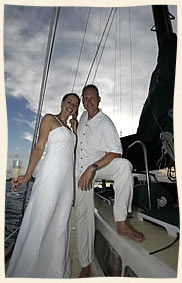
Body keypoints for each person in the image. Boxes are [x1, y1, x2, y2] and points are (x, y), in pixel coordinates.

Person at [6, 93, 80, 278]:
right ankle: (29, 269)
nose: (71, 105)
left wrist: (75, 130)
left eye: (75, 104)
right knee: (43, 216)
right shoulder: (49, 119)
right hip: (51, 174)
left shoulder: (72, 130)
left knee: (60, 221)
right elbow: (39, 147)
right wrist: (28, 174)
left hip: (66, 180)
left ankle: (53, 269)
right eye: (69, 101)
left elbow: (71, 153)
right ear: (62, 102)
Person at [75, 84, 144, 278]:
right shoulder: (81, 118)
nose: (88, 101)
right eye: (85, 98)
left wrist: (93, 168)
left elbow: (115, 152)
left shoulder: (105, 122)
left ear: (99, 100)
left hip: (97, 168)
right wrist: (73, 123)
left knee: (123, 165)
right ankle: (85, 263)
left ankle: (121, 222)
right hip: (79, 173)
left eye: (92, 98)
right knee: (83, 217)